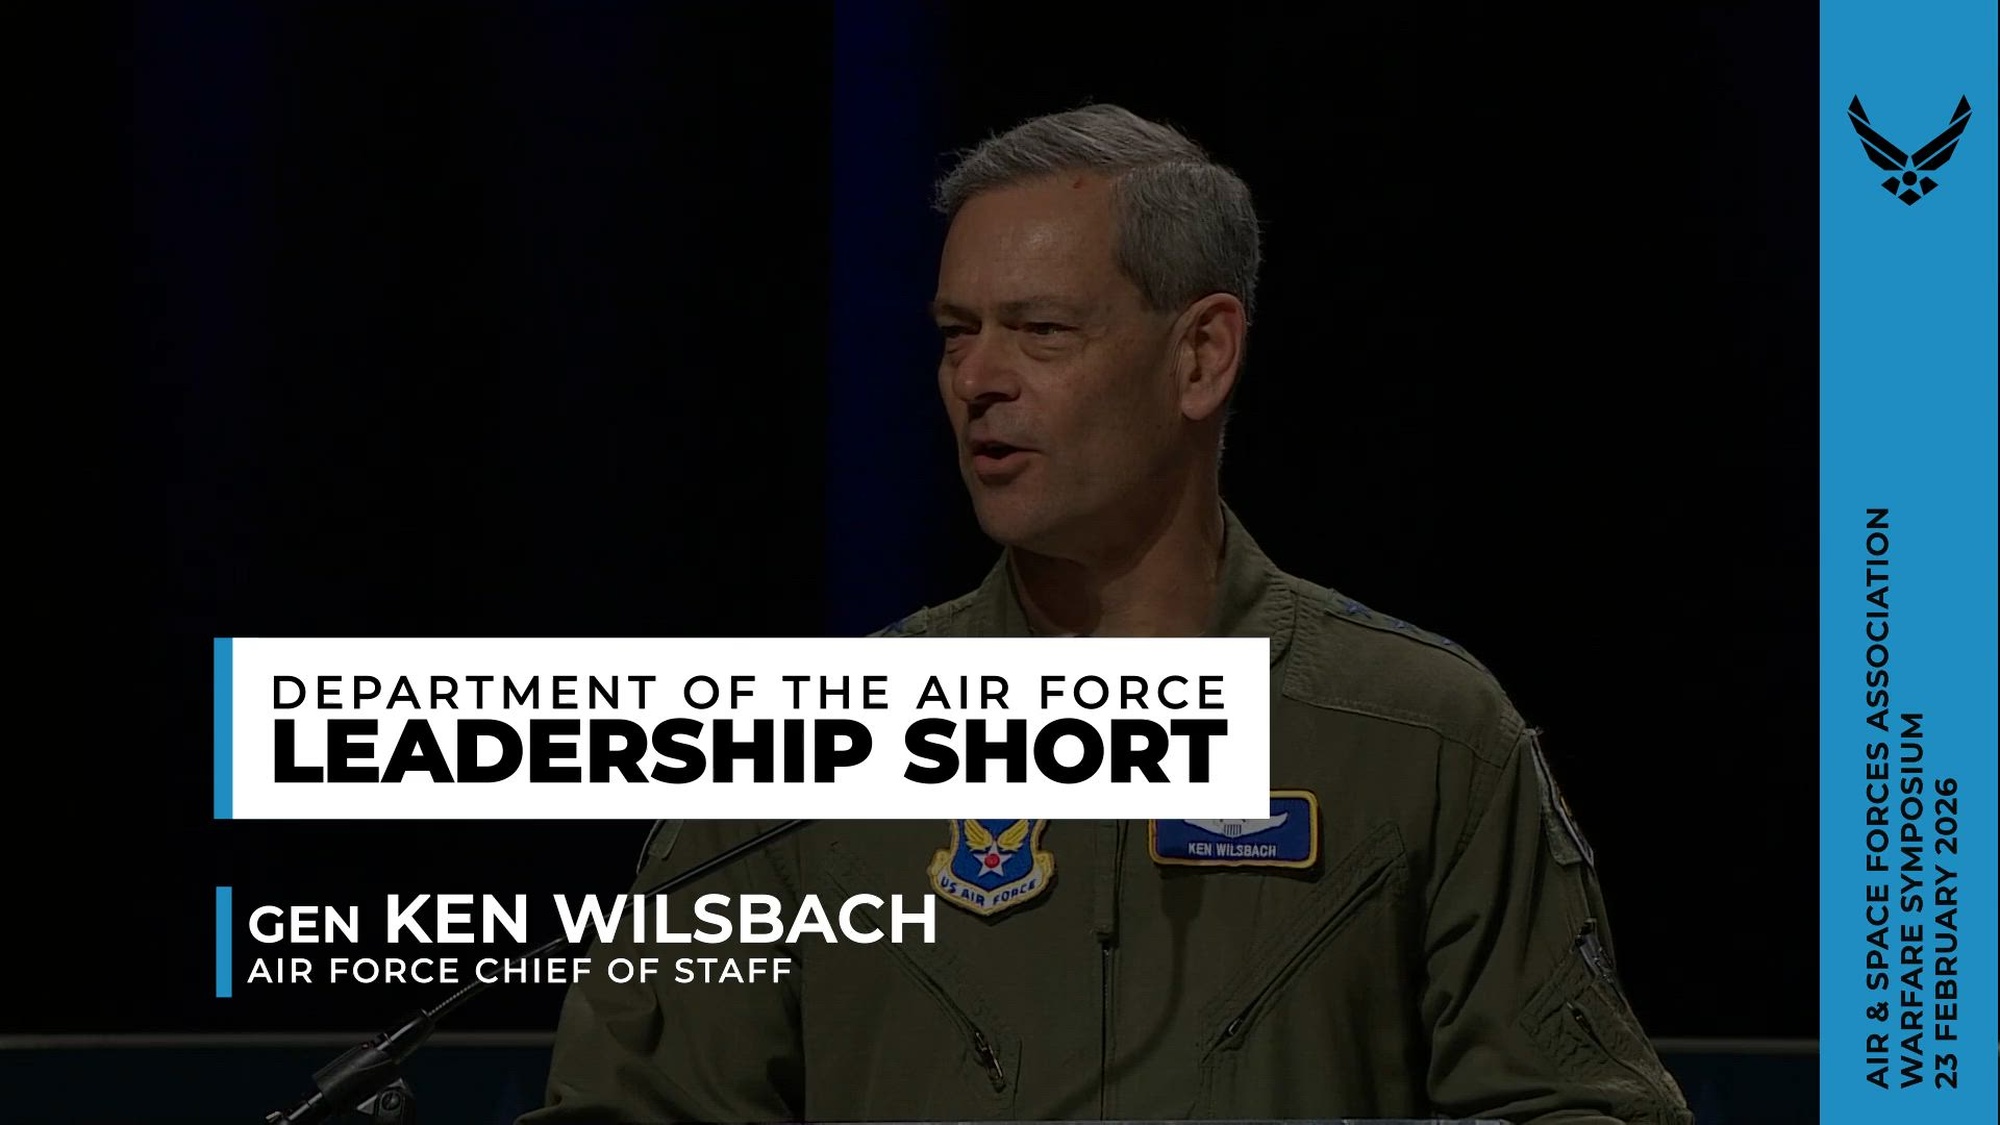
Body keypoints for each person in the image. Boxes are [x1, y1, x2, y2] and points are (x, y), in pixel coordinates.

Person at [523, 104, 1693, 1124]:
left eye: (1040, 331)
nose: (978, 378)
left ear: (1200, 358)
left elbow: (1577, 1109)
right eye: (954, 333)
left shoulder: (1420, 735)